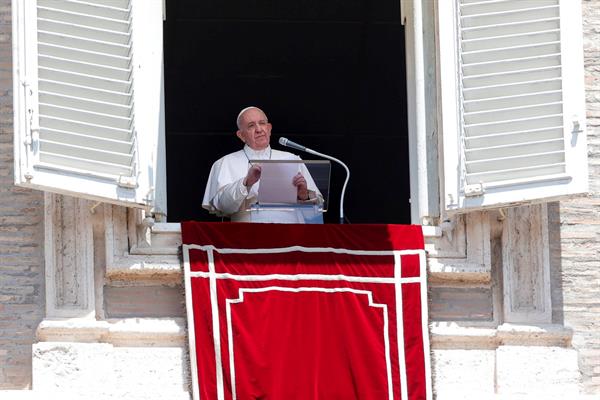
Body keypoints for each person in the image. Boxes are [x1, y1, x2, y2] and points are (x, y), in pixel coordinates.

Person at [202, 106, 322, 223]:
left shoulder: (291, 159)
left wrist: (304, 196)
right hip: (246, 234)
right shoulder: (225, 162)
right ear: (241, 135)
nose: (259, 129)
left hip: (291, 232)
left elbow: (315, 212)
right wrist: (246, 183)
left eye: (262, 123)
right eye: (251, 126)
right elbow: (223, 206)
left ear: (269, 128)